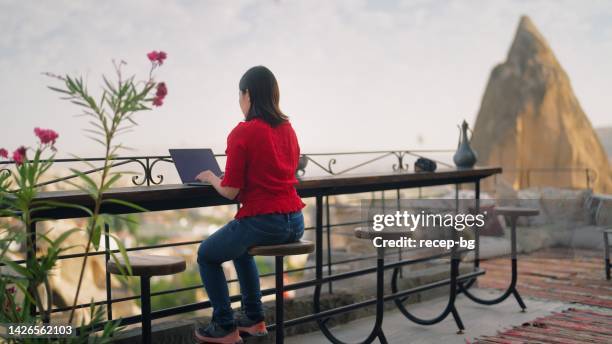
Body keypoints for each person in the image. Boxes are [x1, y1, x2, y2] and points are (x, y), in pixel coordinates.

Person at [193, 66, 305, 343]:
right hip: (295, 221)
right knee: (240, 251)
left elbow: (230, 191)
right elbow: (273, 171)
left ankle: (223, 326)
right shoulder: (288, 129)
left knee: (207, 255)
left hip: (265, 222)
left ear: (248, 94)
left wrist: (210, 177)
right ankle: (253, 318)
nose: (239, 101)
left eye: (239, 95)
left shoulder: (243, 132)